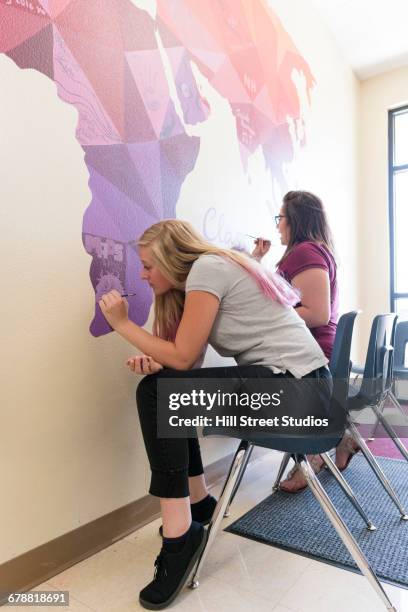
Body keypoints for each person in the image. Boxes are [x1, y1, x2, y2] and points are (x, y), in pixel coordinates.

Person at [99, 219, 331, 610]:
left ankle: (180, 539)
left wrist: (122, 324)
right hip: (304, 388)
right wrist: (161, 363)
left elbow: (185, 357)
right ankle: (199, 504)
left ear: (173, 259)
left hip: (297, 392)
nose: (142, 274)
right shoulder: (206, 276)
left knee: (158, 393)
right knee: (168, 387)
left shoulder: (208, 268)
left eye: (148, 265)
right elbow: (184, 365)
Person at [252, 190, 359, 492]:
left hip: (311, 356)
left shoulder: (306, 253)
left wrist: (271, 316)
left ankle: (311, 456)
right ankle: (339, 441)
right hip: (320, 353)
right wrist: (258, 260)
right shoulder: (314, 251)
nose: (277, 226)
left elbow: (316, 313)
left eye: (281, 218)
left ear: (295, 220)